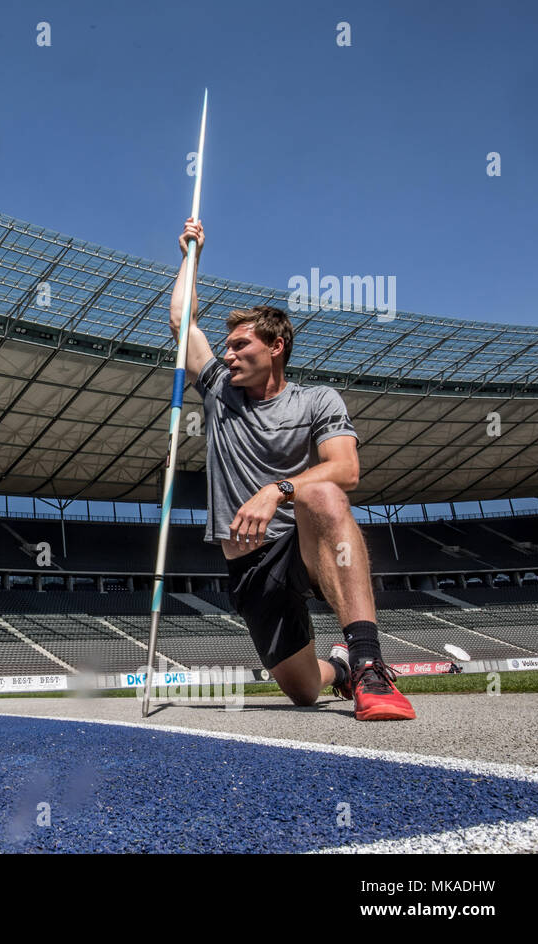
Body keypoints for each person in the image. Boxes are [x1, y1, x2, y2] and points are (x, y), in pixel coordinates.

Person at [169, 217, 414, 721]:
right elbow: (182, 325)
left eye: (241, 345)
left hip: (301, 542)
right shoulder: (219, 390)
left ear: (276, 347)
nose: (229, 353)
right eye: (228, 346)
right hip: (250, 566)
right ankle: (342, 670)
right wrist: (191, 256)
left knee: (324, 495)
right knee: (303, 692)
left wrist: (276, 490)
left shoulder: (317, 399)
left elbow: (345, 469)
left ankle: (368, 663)